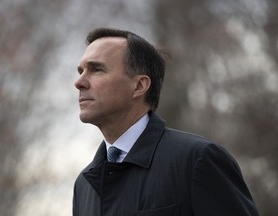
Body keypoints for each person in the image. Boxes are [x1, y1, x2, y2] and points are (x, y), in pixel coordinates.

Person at [73, 27, 259, 216]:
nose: (79, 82)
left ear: (139, 86)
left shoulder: (197, 161)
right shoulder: (83, 186)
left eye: (96, 69)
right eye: (81, 71)